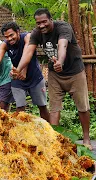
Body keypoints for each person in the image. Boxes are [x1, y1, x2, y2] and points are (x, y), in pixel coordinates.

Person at [15, 8, 91, 148]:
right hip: (55, 75)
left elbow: (63, 45)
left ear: (51, 19)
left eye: (44, 22)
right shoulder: (36, 33)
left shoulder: (63, 27)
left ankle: (86, 139)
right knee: (54, 108)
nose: (41, 25)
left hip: (75, 72)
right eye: (39, 23)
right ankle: (54, 141)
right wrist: (18, 69)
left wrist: (60, 62)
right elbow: (28, 52)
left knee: (83, 107)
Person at [0, 22, 49, 121]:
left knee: (42, 106)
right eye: (6, 37)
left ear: (18, 32)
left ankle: (50, 132)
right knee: (20, 108)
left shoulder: (27, 37)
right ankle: (21, 132)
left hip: (35, 78)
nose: (9, 39)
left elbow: (27, 53)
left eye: (11, 35)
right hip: (17, 79)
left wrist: (21, 70)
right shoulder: (5, 44)